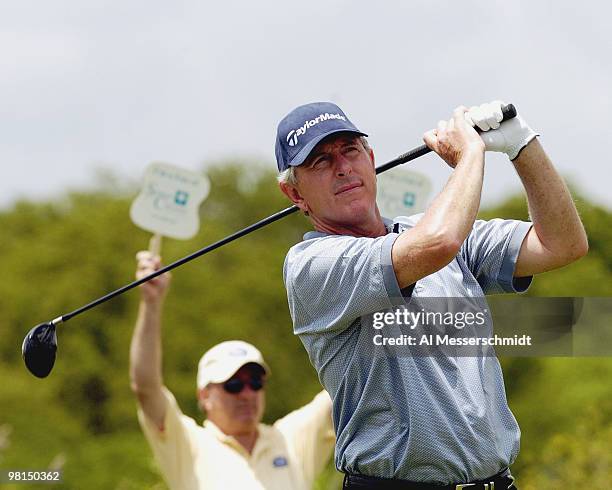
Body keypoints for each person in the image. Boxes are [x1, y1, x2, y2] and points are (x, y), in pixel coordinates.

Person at [275, 101, 588, 489]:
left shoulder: (427, 227)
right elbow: (438, 243)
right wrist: (470, 155)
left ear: (370, 158)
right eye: (320, 161)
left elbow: (563, 244)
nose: (342, 167)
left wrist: (522, 146)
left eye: (350, 150)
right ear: (294, 192)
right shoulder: (311, 265)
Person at [129, 251, 335, 490]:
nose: (247, 393)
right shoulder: (188, 443)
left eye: (255, 382)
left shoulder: (288, 439)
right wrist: (151, 303)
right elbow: (145, 387)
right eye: (233, 385)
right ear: (204, 396)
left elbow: (349, 385)